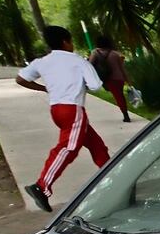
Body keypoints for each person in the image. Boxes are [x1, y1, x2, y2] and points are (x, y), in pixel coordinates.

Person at [15, 25, 110, 213]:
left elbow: (20, 79)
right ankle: (41, 186)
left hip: (56, 109)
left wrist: (44, 88)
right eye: (71, 41)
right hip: (73, 109)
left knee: (96, 145)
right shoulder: (77, 61)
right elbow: (96, 86)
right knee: (69, 147)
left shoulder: (42, 61)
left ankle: (112, 176)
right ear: (66, 42)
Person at [90, 35, 133, 122]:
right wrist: (128, 80)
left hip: (108, 79)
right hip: (119, 79)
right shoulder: (115, 54)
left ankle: (126, 115)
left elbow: (90, 65)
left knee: (118, 97)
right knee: (120, 95)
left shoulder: (95, 53)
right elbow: (122, 68)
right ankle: (125, 113)